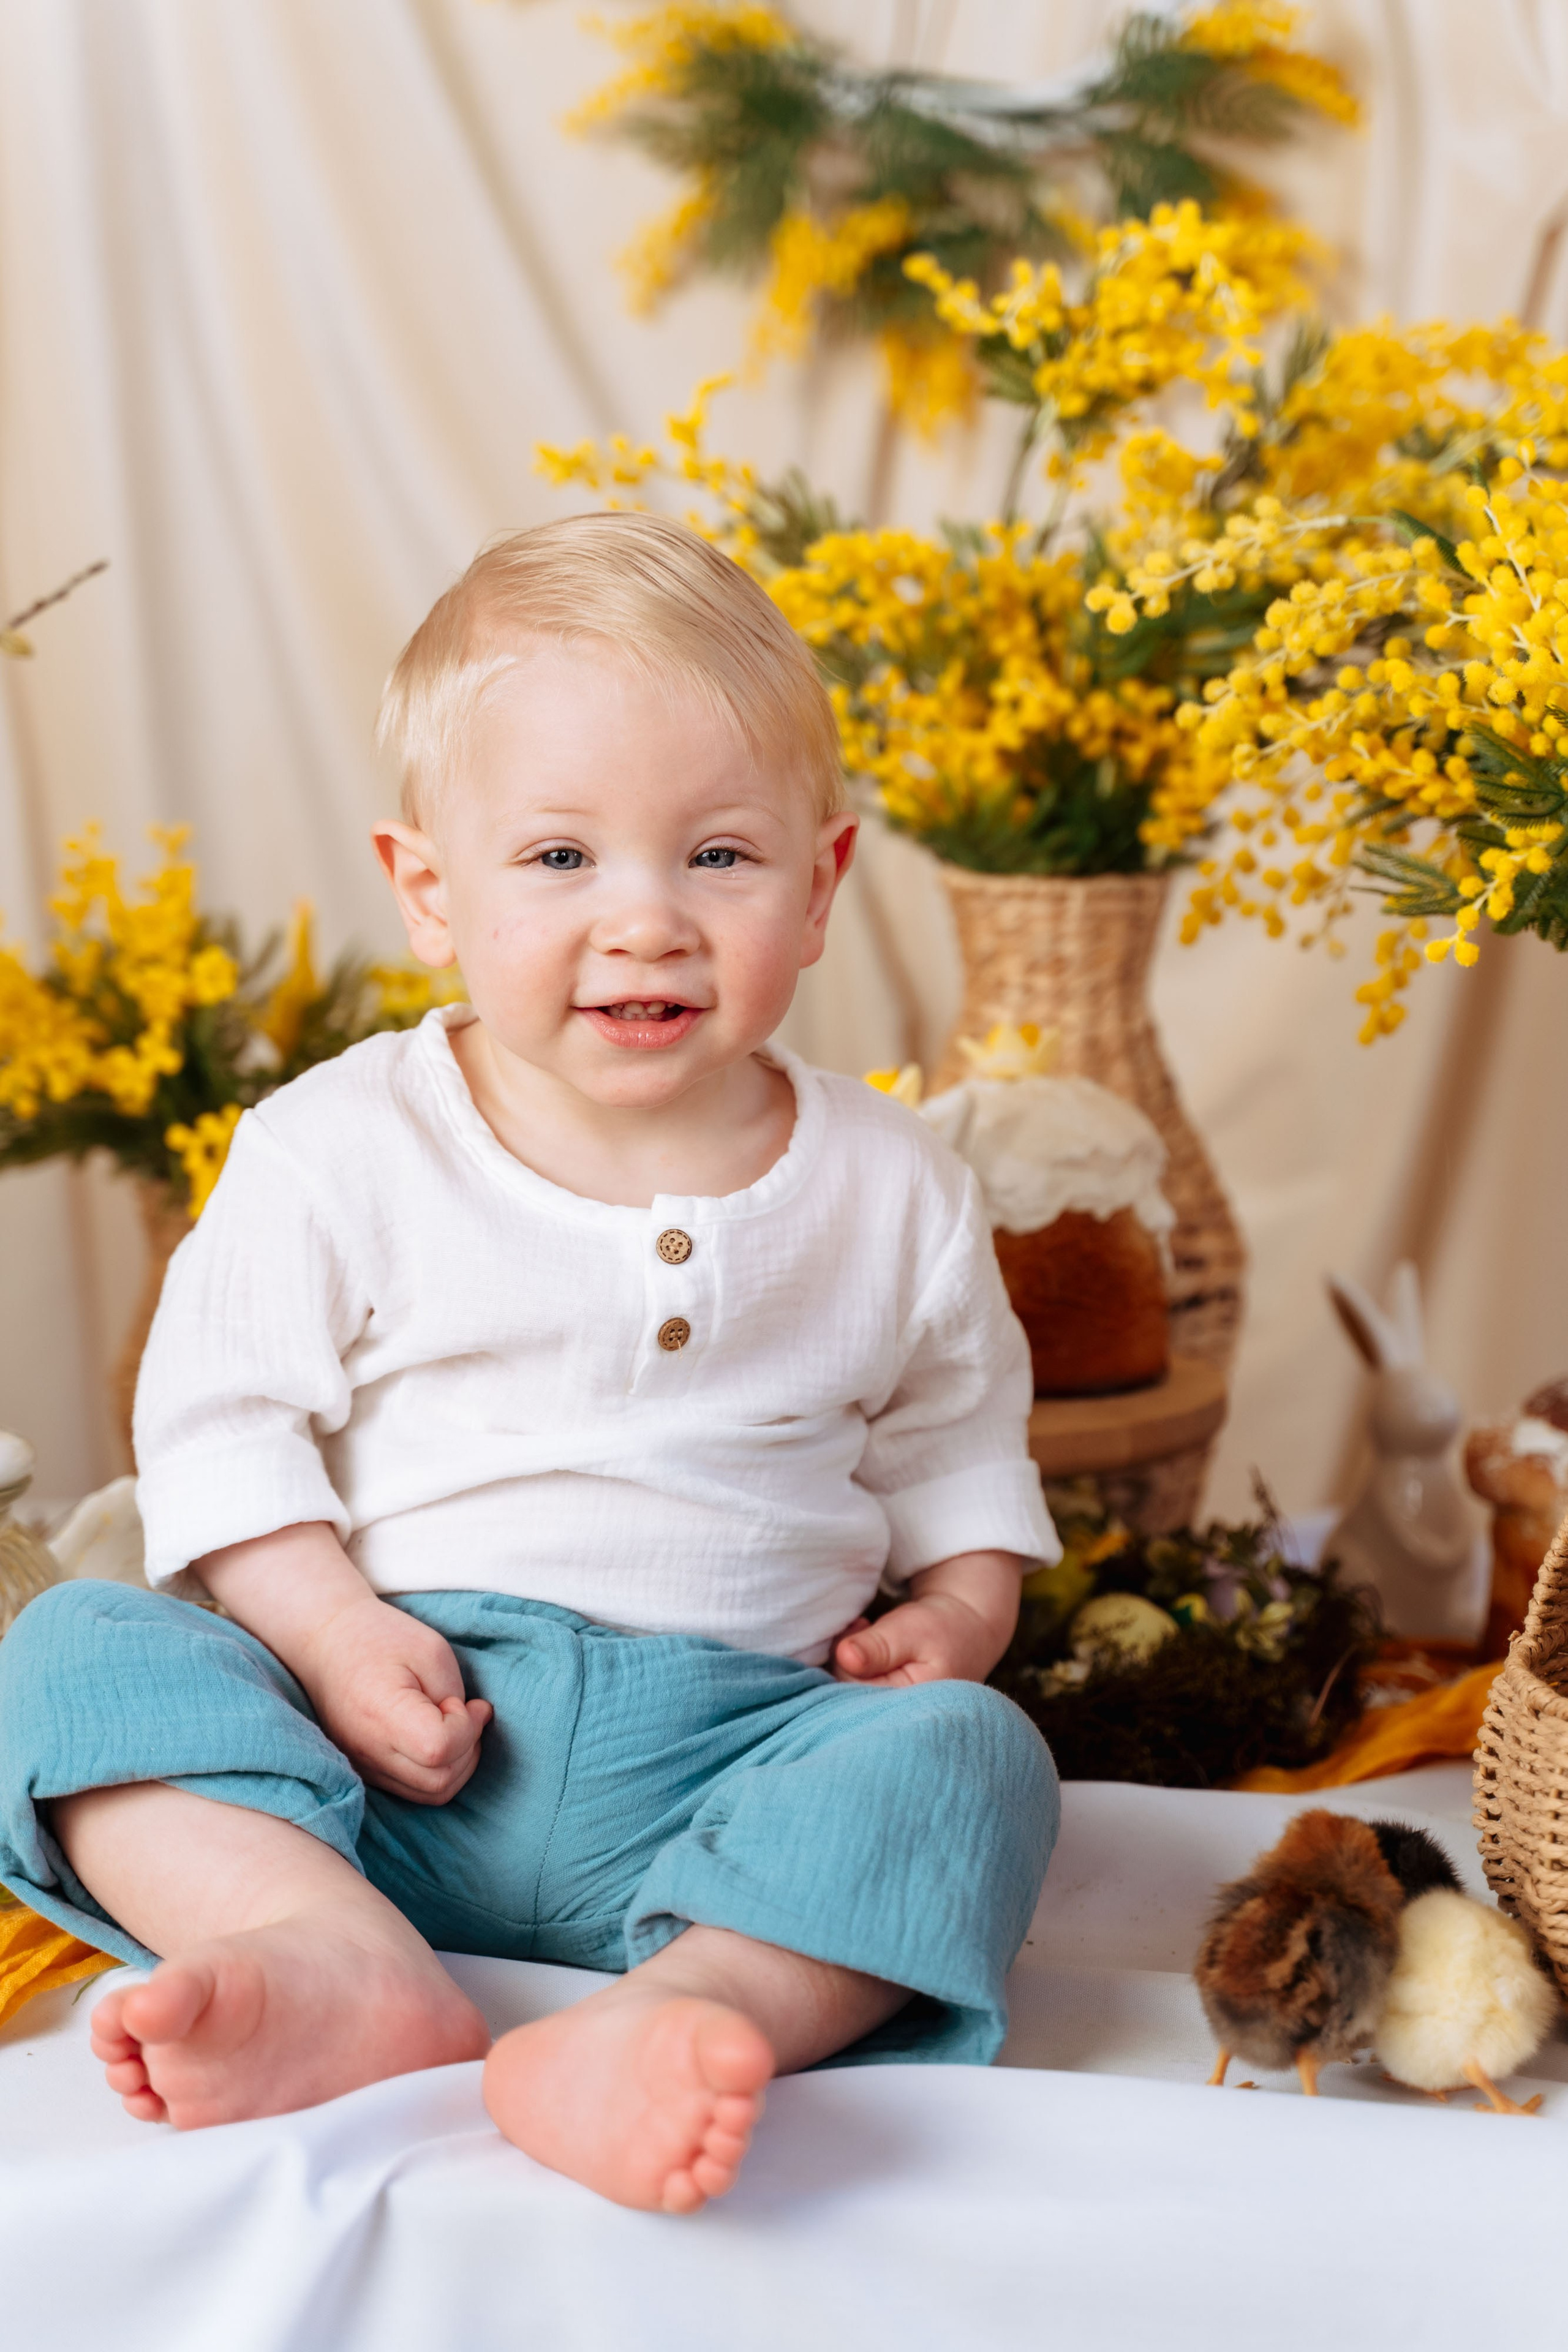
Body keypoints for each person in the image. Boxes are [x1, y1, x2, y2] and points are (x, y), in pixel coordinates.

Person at [0, 513, 1060, 2214]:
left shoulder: (896, 1186)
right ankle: (327, 1948)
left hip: (741, 1759)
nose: (643, 923)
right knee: (73, 1647)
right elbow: (222, 1431)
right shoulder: (338, 1146)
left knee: (975, 1758)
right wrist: (334, 1639)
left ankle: (691, 2006)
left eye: (718, 857)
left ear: (823, 883)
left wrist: (958, 1618)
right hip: (381, 1754)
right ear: (431, 888)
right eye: (560, 860)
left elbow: (959, 1456)